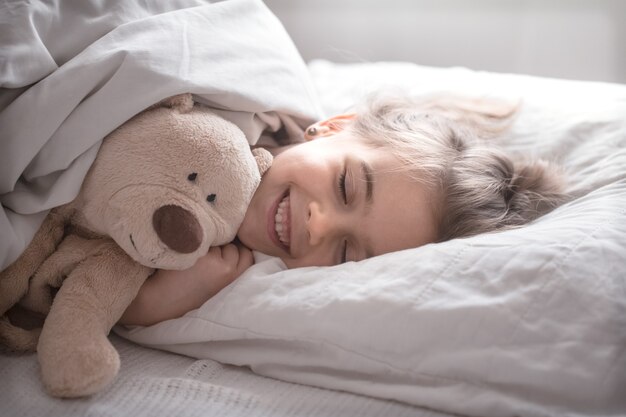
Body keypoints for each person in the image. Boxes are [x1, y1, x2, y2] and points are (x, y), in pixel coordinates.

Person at [119, 93, 567, 326]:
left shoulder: (229, 271)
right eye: (345, 185)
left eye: (348, 254)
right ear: (334, 127)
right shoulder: (231, 110)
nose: (320, 224)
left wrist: (145, 307)